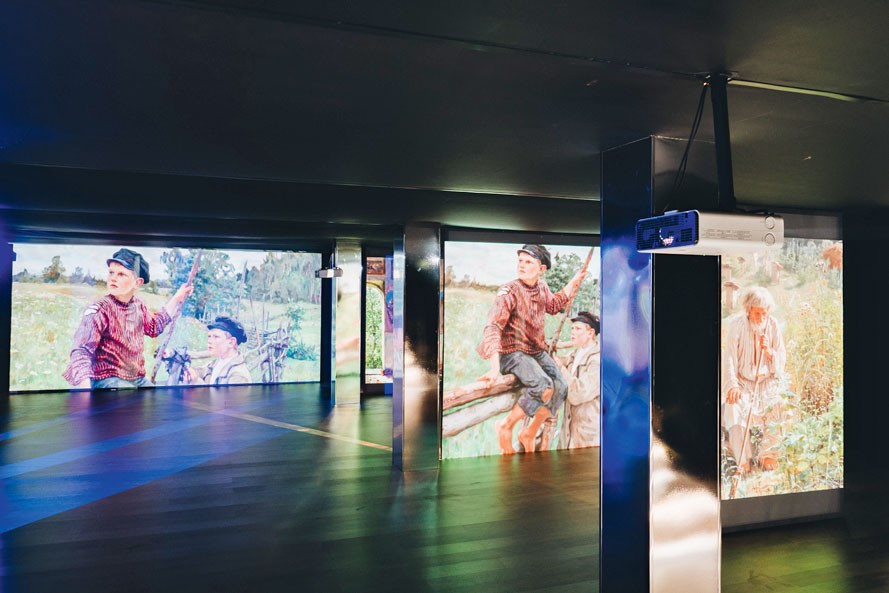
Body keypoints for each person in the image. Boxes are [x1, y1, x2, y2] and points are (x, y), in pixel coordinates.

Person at [477, 244, 586, 454]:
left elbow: (554, 306)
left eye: (528, 262)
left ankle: (530, 431)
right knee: (543, 385)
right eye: (520, 261)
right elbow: (493, 327)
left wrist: (573, 282)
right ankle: (506, 426)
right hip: (512, 352)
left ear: (541, 269)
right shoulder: (509, 291)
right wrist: (494, 367)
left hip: (535, 351)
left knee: (561, 388)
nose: (522, 266)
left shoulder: (542, 288)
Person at [63, 248, 193, 389]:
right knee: (130, 397)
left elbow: (154, 326)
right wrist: (85, 390)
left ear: (137, 283)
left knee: (155, 395)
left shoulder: (138, 306)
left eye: (121, 274)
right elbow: (81, 351)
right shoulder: (99, 309)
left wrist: (177, 298)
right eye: (111, 272)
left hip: (135, 379)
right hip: (105, 378)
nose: (113, 278)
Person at [722, 286, 787, 472]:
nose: (761, 318)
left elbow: (781, 358)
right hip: (743, 383)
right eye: (757, 313)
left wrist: (769, 351)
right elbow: (729, 358)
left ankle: (768, 454)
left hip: (766, 383)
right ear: (748, 310)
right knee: (733, 407)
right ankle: (744, 460)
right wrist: (732, 386)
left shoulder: (772, 325)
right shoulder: (737, 325)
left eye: (764, 313)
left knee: (779, 404)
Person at [557, 311, 601, 449]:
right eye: (572, 328)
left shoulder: (597, 361)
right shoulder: (576, 353)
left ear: (590, 333)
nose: (573, 332)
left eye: (578, 329)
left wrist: (560, 368)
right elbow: (562, 361)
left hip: (587, 437)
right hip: (569, 435)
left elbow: (578, 393)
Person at [186, 316, 252, 385]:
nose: (209, 341)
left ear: (231, 342)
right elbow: (200, 372)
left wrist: (196, 381)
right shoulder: (217, 363)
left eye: (216, 337)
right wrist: (187, 370)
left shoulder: (239, 376)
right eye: (209, 336)